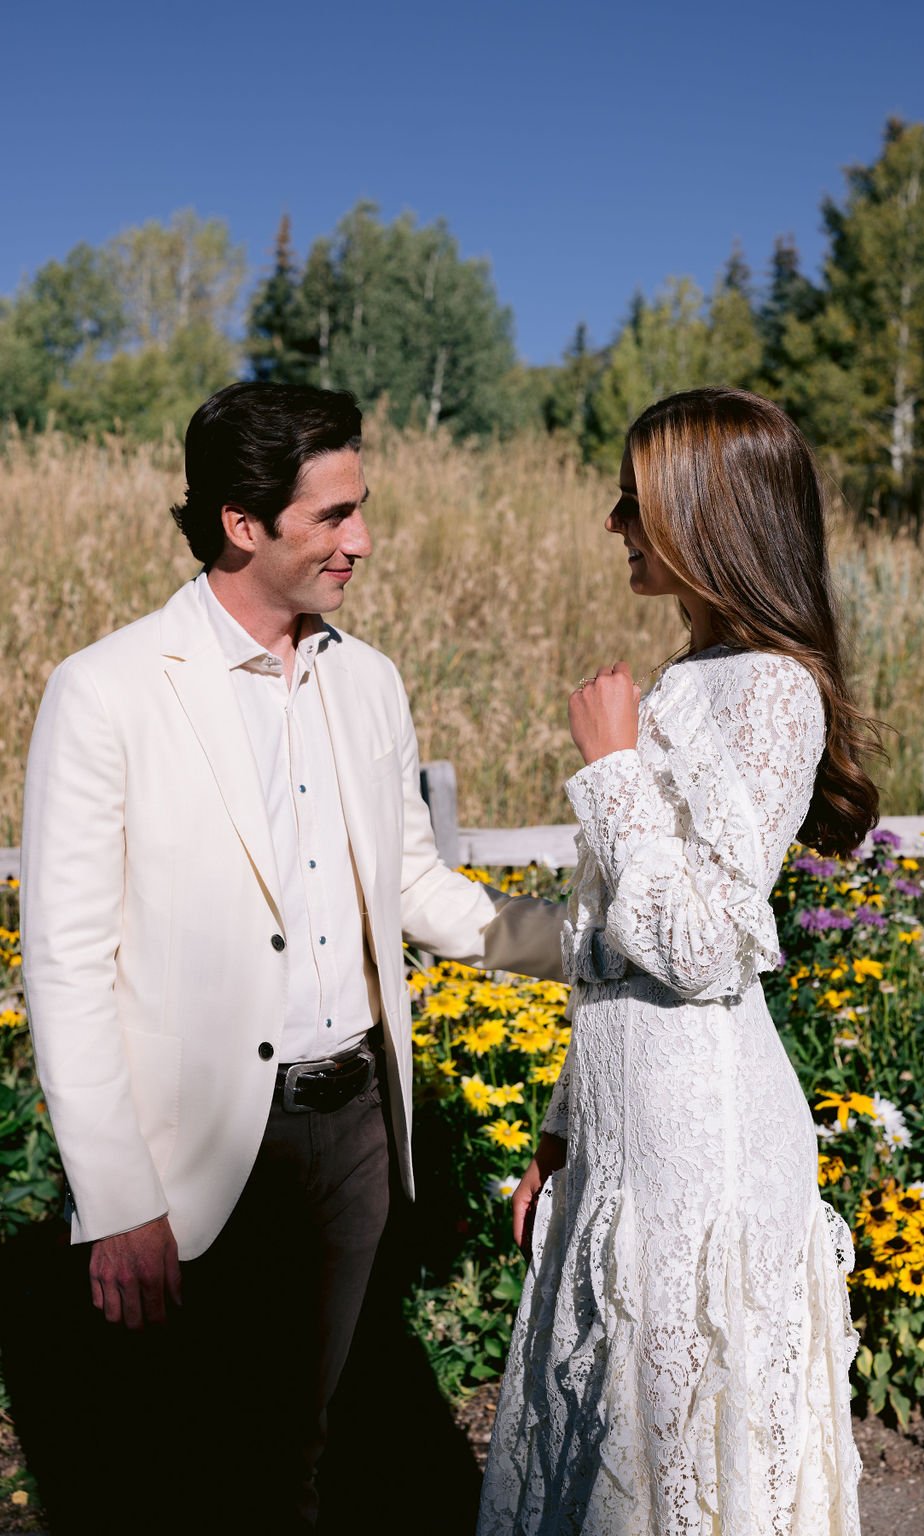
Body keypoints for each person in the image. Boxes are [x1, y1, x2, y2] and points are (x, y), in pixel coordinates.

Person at [20, 381, 563, 1534]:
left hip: (354, 1129)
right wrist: (116, 1202)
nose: (359, 540)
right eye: (331, 516)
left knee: (300, 1443)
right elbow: (63, 963)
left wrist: (585, 944)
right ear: (242, 523)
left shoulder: (369, 682)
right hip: (199, 1147)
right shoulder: (106, 690)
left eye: (359, 509)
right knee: (174, 1458)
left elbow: (412, 884)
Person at [477, 387, 878, 1536]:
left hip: (698, 1139)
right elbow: (617, 944)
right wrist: (563, 1132)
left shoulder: (771, 691)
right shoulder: (686, 681)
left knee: (675, 1458)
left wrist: (607, 771)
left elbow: (702, 947)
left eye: (633, 502)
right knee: (610, 1455)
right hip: (626, 1131)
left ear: (707, 518)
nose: (613, 524)